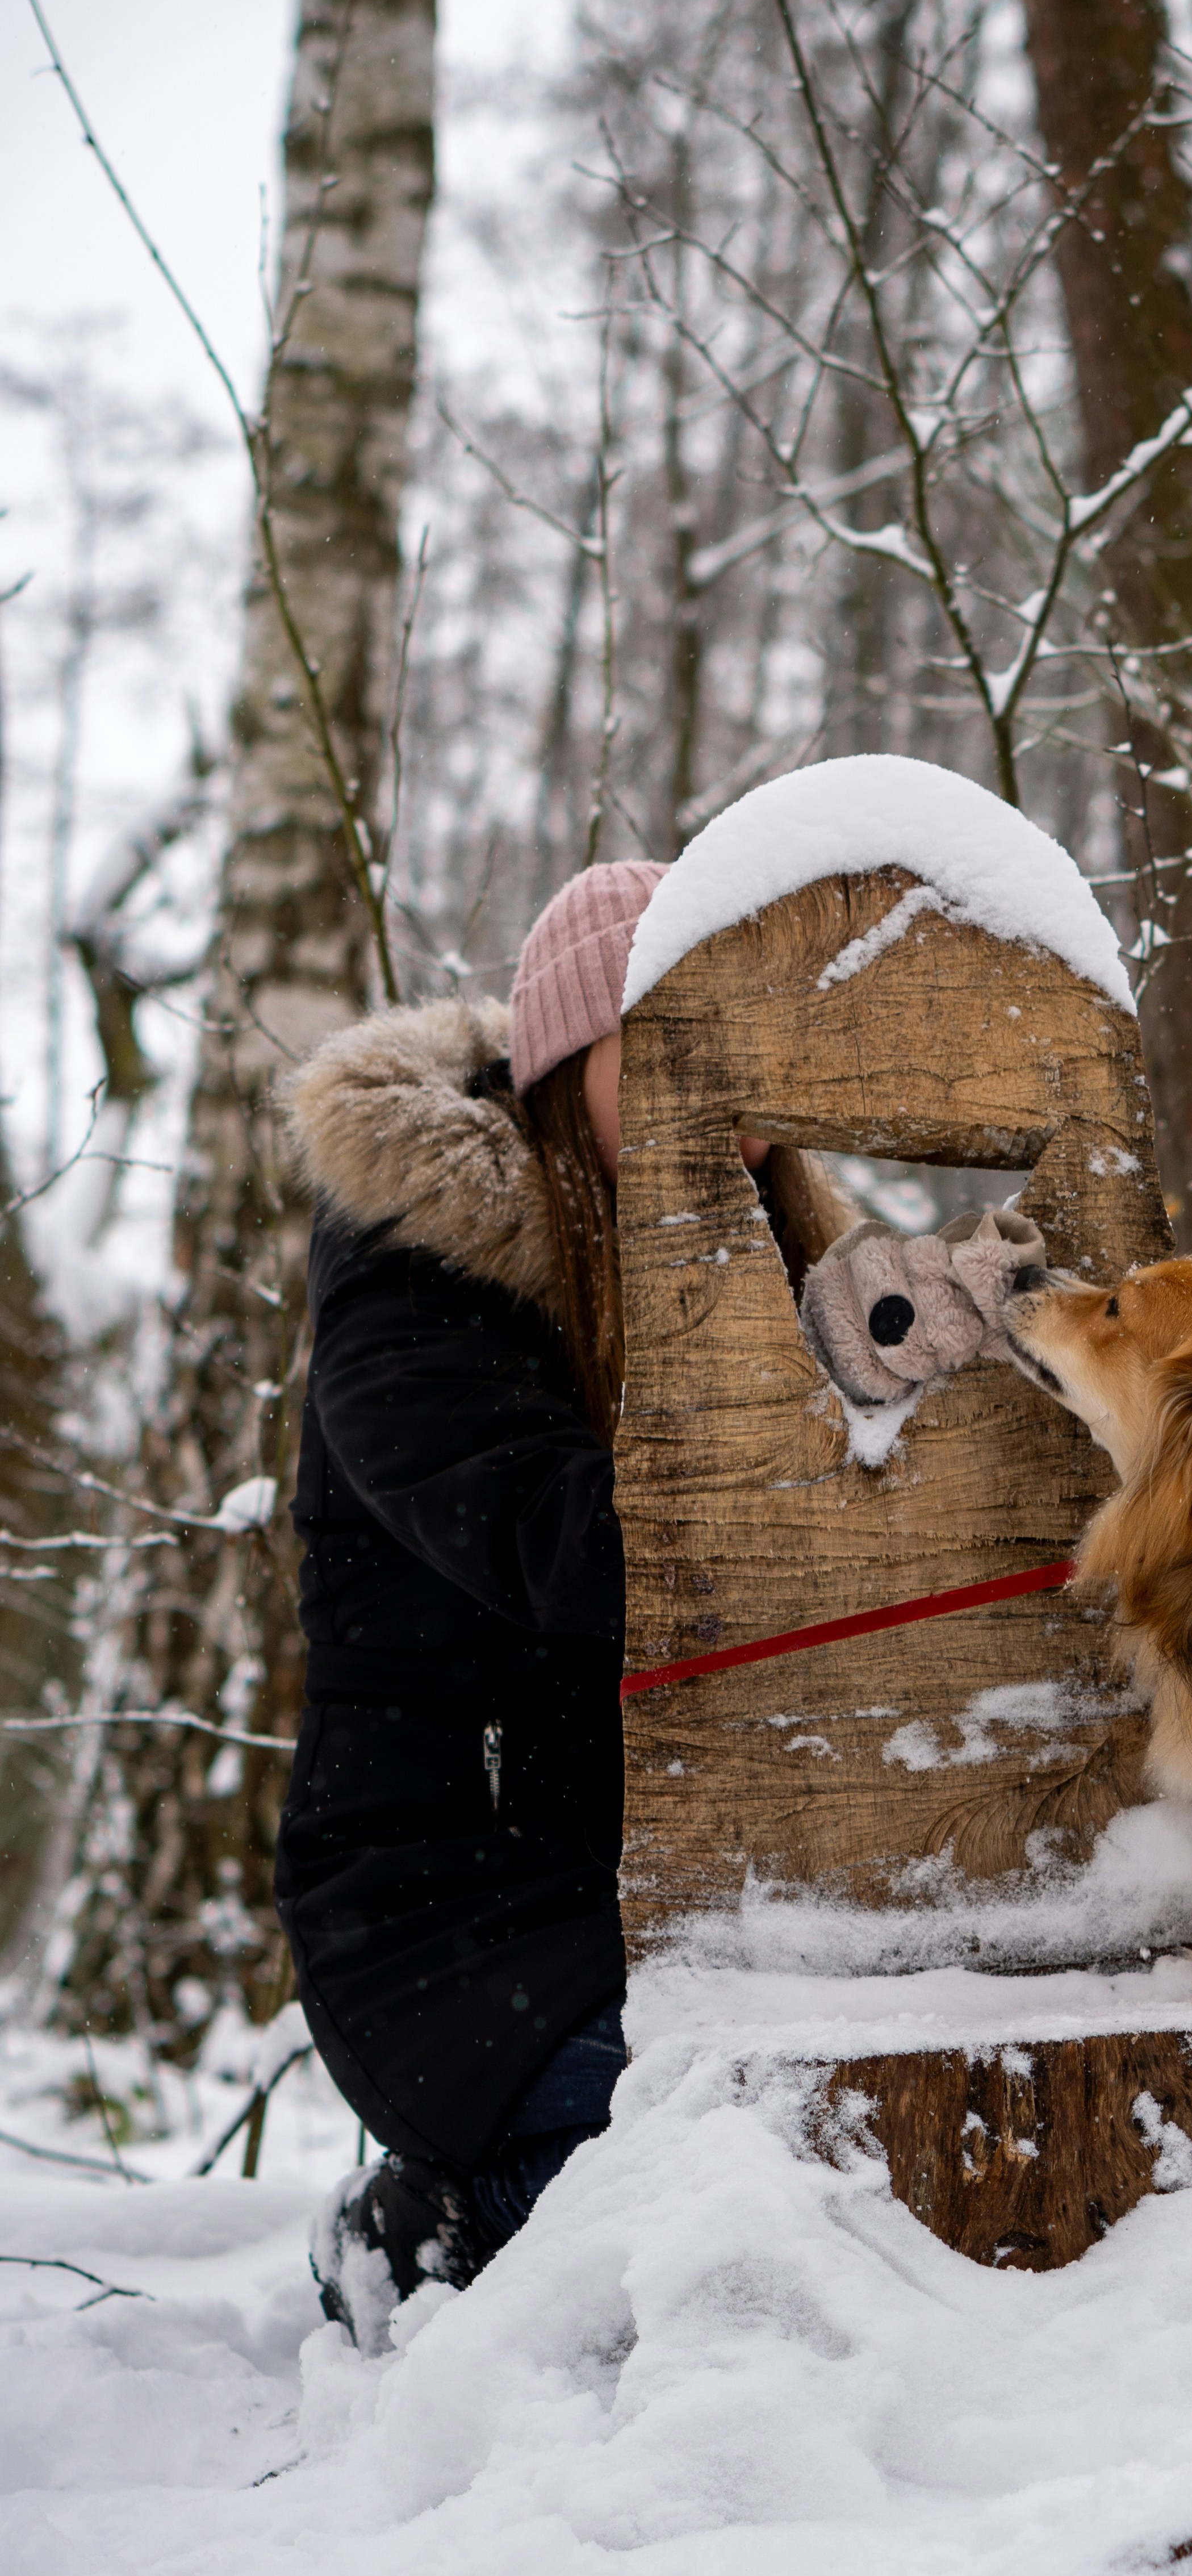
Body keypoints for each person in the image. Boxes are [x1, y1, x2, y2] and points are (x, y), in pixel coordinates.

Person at [285, 861, 850, 2344]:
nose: (728, 1098)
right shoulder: (419, 1277)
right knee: (730, 2153)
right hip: (460, 1916)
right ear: (564, 1063)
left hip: (706, 1895)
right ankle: (434, 2225)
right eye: (672, 1052)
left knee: (866, 2111)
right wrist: (856, 1489)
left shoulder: (780, 1261)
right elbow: (569, 1552)